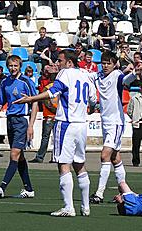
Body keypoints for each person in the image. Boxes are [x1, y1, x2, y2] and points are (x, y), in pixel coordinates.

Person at [13, 49, 98, 217]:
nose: (57, 64)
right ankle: (86, 206)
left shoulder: (65, 73)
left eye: (60, 60)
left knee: (63, 164)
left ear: (69, 63)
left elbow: (53, 92)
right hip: (81, 125)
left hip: (66, 124)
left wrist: (30, 99)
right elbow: (94, 101)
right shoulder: (86, 75)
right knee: (79, 164)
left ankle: (68, 207)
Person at [88, 50, 140, 204]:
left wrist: (135, 73)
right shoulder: (97, 76)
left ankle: (99, 193)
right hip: (105, 121)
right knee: (115, 158)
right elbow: (85, 77)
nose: (105, 66)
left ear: (114, 64)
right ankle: (125, 192)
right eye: (103, 63)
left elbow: (126, 80)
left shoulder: (117, 75)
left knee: (104, 155)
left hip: (116, 122)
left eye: (108, 63)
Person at [0, 55, 38, 199]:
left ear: (20, 66)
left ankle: (2, 187)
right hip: (10, 121)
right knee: (19, 157)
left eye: (15, 66)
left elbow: (35, 102)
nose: (13, 68)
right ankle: (29, 189)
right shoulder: (4, 82)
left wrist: (31, 125)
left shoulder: (26, 82)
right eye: (10, 66)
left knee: (14, 154)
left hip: (21, 121)